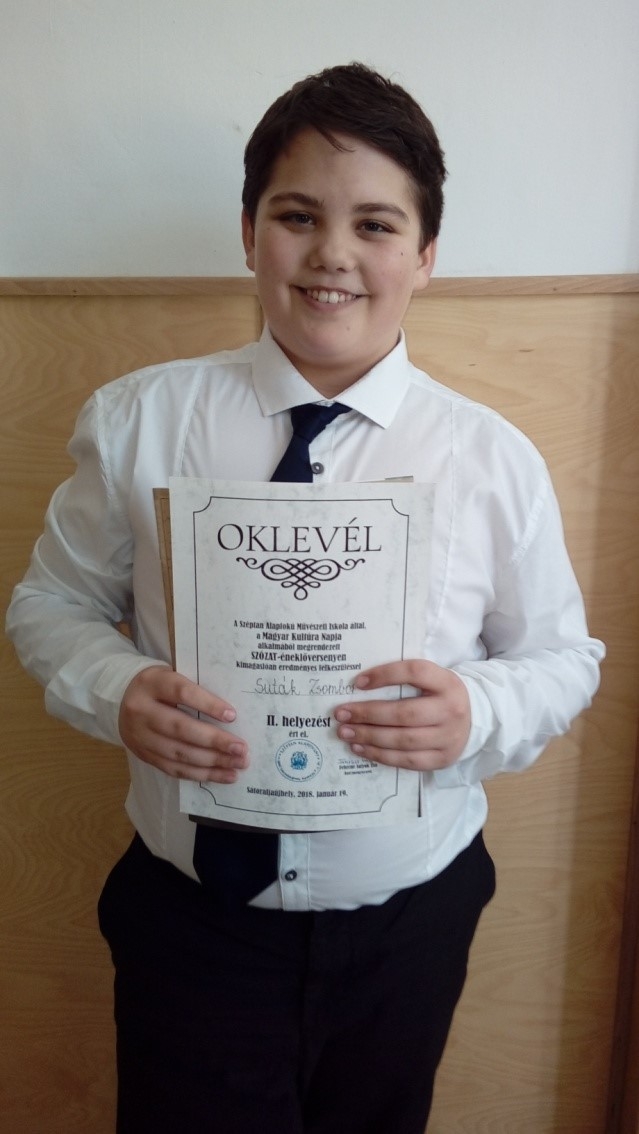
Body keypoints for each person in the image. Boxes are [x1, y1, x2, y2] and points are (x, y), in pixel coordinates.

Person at [6, 62, 604, 1134]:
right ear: (249, 234)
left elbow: (565, 658)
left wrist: (475, 711)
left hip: (409, 924)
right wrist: (116, 688)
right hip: (192, 922)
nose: (333, 253)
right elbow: (49, 605)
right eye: (297, 217)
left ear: (425, 255)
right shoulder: (141, 422)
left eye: (376, 224)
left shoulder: (489, 457)